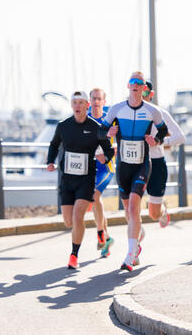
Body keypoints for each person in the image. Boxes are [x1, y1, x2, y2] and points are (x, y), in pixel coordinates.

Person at [97, 71, 169, 272]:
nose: (136, 85)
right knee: (128, 211)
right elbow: (100, 131)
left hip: (142, 164)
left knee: (135, 206)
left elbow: (163, 131)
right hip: (123, 166)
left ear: (144, 88)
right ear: (128, 86)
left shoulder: (152, 111)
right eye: (132, 81)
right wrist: (108, 133)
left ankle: (129, 256)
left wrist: (156, 140)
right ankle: (136, 241)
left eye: (140, 82)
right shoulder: (117, 109)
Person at [46, 91, 115, 269]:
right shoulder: (63, 126)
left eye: (81, 103)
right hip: (67, 180)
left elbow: (108, 149)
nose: (77, 106)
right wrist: (50, 161)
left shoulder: (96, 128)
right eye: (74, 102)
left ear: (87, 106)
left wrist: (105, 158)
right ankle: (97, 232)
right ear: (71, 106)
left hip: (86, 180)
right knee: (68, 221)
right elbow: (54, 145)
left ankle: (74, 255)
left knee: (78, 217)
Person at [142, 80, 185, 228]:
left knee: (153, 214)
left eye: (145, 92)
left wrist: (159, 141)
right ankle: (134, 237)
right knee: (130, 204)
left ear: (151, 94)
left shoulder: (160, 113)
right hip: (134, 163)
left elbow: (180, 137)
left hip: (156, 163)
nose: (141, 94)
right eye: (138, 90)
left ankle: (162, 210)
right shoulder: (126, 113)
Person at [88, 88, 115, 257]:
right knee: (95, 199)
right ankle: (107, 237)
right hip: (89, 167)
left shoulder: (110, 120)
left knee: (95, 196)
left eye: (99, 99)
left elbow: (119, 144)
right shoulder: (86, 119)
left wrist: (106, 154)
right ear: (89, 101)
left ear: (104, 102)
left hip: (106, 167)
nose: (96, 101)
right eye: (94, 98)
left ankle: (100, 235)